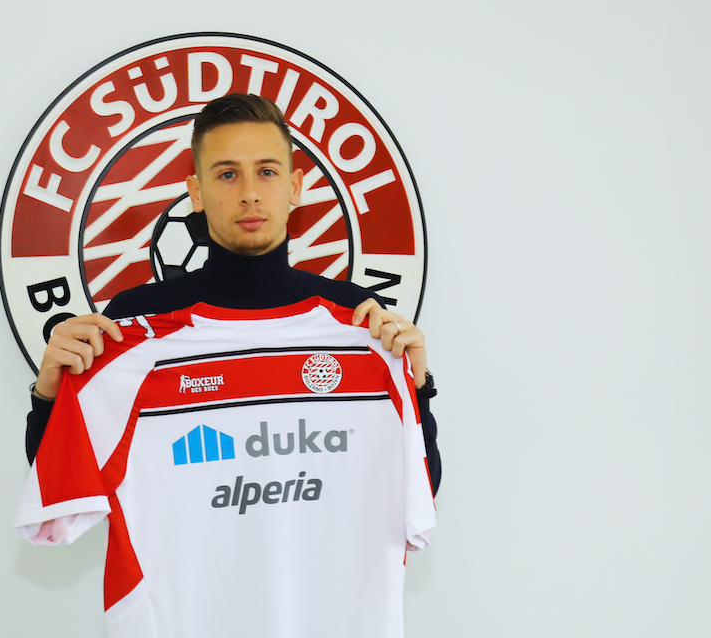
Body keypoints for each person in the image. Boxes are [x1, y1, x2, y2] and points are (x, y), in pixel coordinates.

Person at [25, 93, 439, 493]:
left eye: (267, 171)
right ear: (196, 192)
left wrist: (416, 387)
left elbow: (417, 489)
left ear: (295, 186)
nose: (249, 193)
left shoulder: (356, 316)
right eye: (227, 174)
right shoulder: (136, 321)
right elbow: (65, 485)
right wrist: (49, 396)